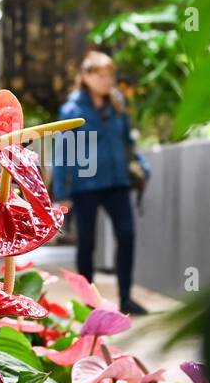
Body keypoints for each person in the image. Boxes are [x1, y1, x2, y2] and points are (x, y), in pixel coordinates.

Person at [52, 51, 148, 315]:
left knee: (127, 235)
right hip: (86, 185)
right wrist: (61, 192)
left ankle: (126, 298)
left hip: (117, 182)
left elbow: (127, 141)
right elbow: (64, 151)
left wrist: (141, 163)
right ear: (86, 77)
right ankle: (89, 303)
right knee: (87, 243)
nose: (107, 81)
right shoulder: (72, 110)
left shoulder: (117, 105)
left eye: (110, 75)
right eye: (101, 75)